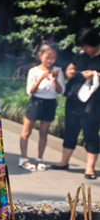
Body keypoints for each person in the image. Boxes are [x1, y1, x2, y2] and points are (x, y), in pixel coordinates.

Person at [51, 28, 100, 180]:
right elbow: (71, 67)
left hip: (93, 100)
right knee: (71, 129)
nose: (84, 49)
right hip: (74, 96)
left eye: (86, 46)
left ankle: (90, 167)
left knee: (90, 131)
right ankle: (64, 161)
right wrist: (69, 71)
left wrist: (95, 74)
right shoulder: (80, 55)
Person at [18, 42, 65, 172]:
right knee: (26, 132)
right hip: (36, 102)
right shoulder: (34, 71)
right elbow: (30, 91)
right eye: (47, 57)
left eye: (53, 57)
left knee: (43, 133)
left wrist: (55, 80)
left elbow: (61, 92)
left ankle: (40, 158)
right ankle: (24, 158)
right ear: (40, 55)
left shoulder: (58, 71)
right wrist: (41, 78)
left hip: (50, 102)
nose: (50, 60)